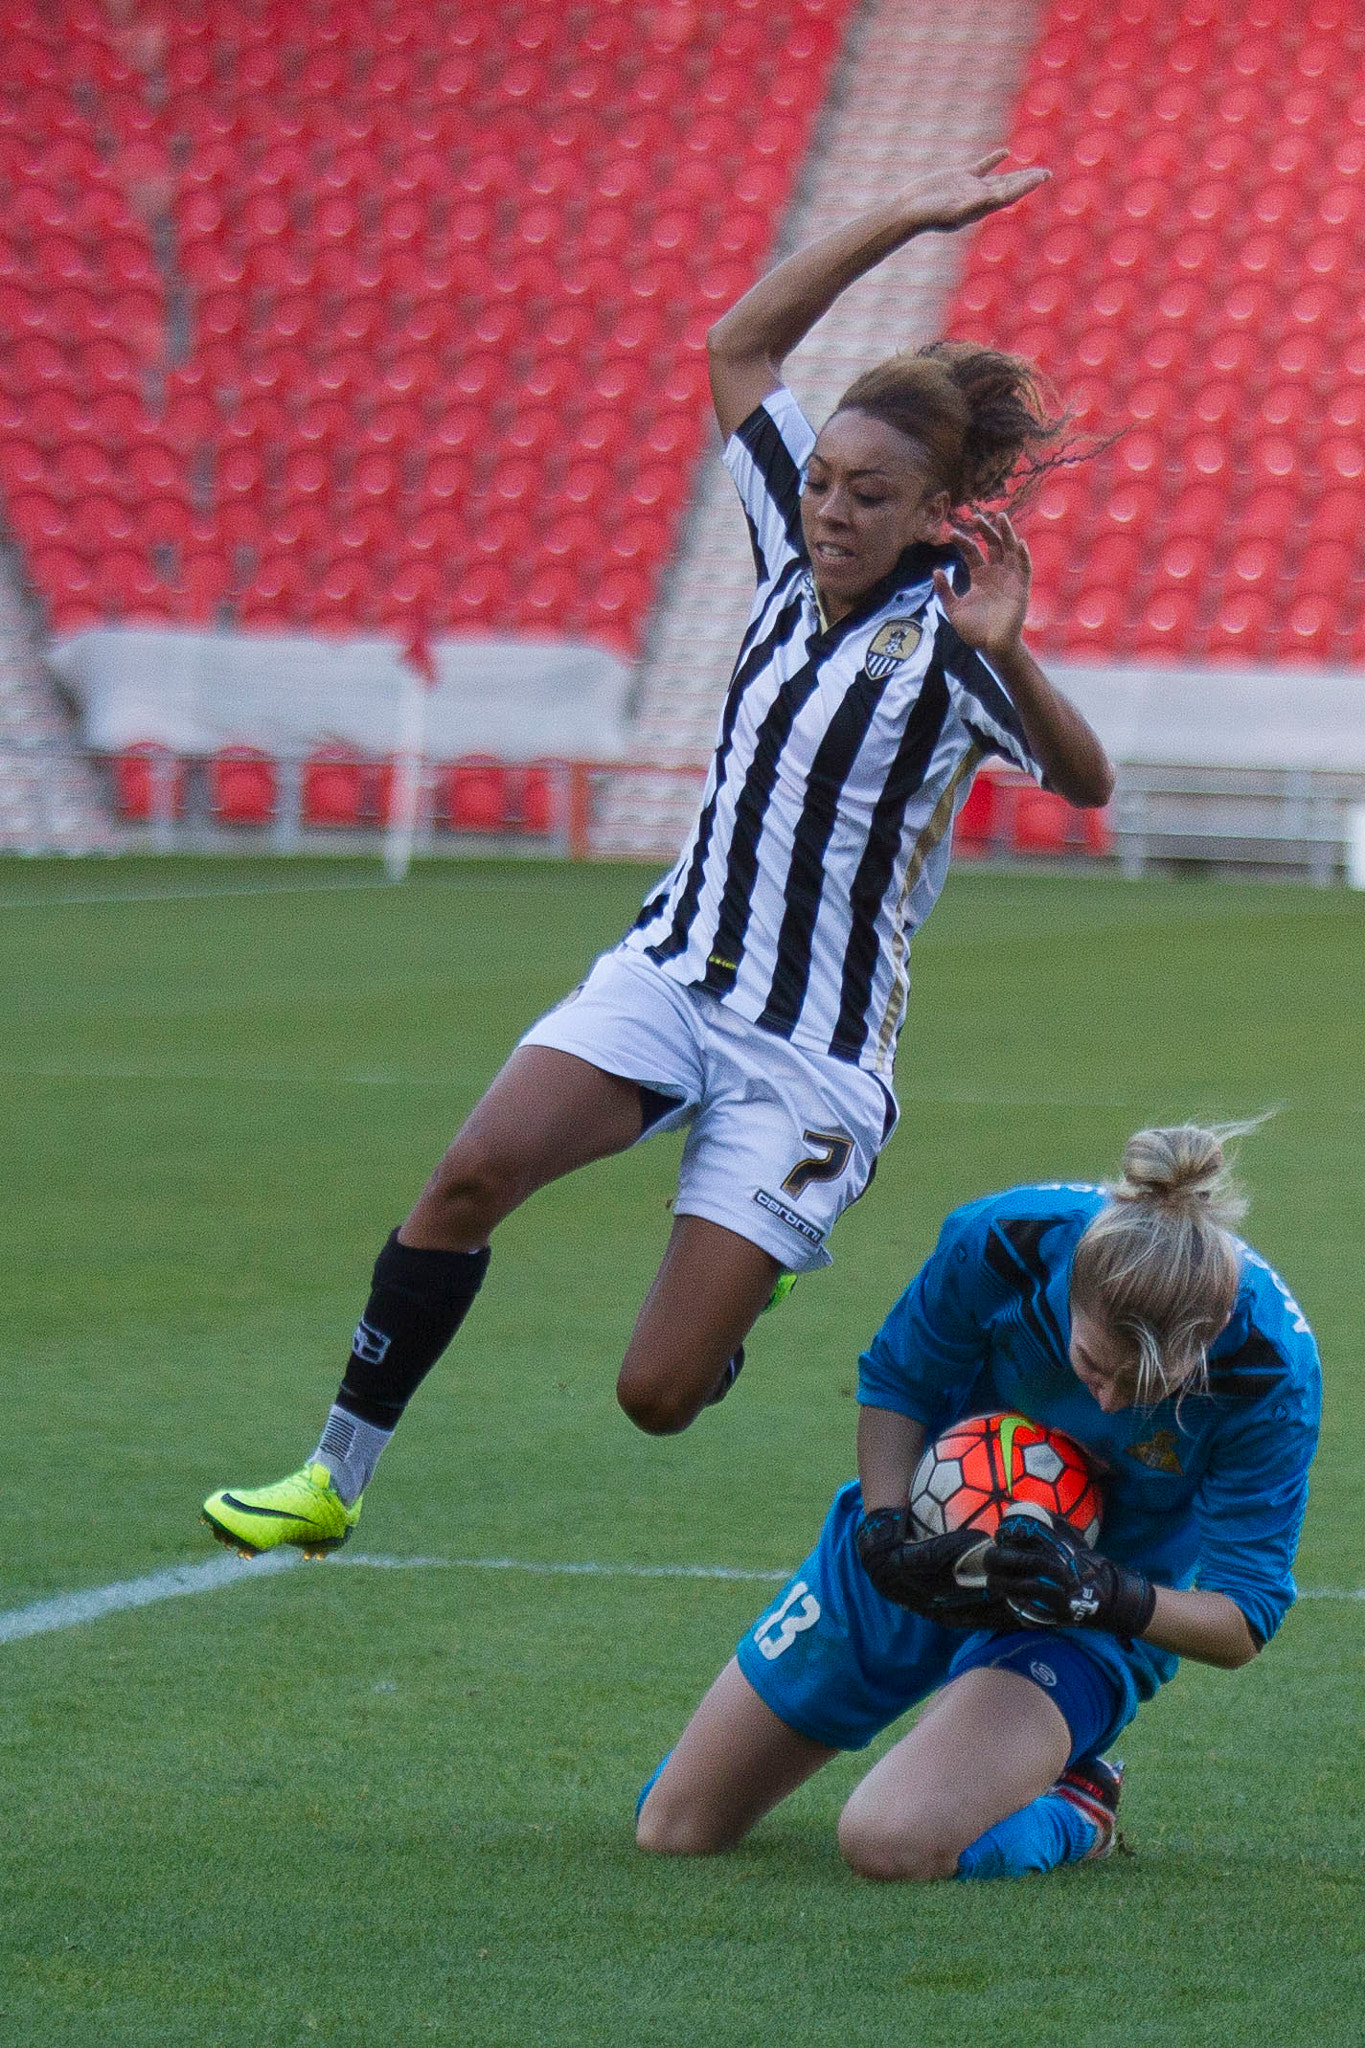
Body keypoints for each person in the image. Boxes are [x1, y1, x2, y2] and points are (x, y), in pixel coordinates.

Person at [201, 153, 1114, 1558]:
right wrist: (909, 216)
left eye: (869, 495)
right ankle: (330, 1476)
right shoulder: (778, 552)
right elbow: (738, 344)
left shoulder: (952, 651)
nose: (828, 509)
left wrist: (1016, 657)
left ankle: (744, 1297)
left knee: (657, 1396)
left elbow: (1086, 779)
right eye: (820, 482)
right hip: (672, 973)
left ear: (935, 514)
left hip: (808, 1057)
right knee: (467, 1175)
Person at [636, 1125, 1320, 1880]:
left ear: (1214, 1331)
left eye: (1147, 1390)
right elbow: (898, 1382)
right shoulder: (1004, 1243)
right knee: (674, 1827)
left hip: (1085, 1615)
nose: (1108, 1400)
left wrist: (1102, 1593)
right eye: (1092, 1364)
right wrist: (885, 1532)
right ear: (1071, 1292)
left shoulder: (1268, 1372)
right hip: (927, 1535)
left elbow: (1241, 1620)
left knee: (888, 1842)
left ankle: (1075, 1806)